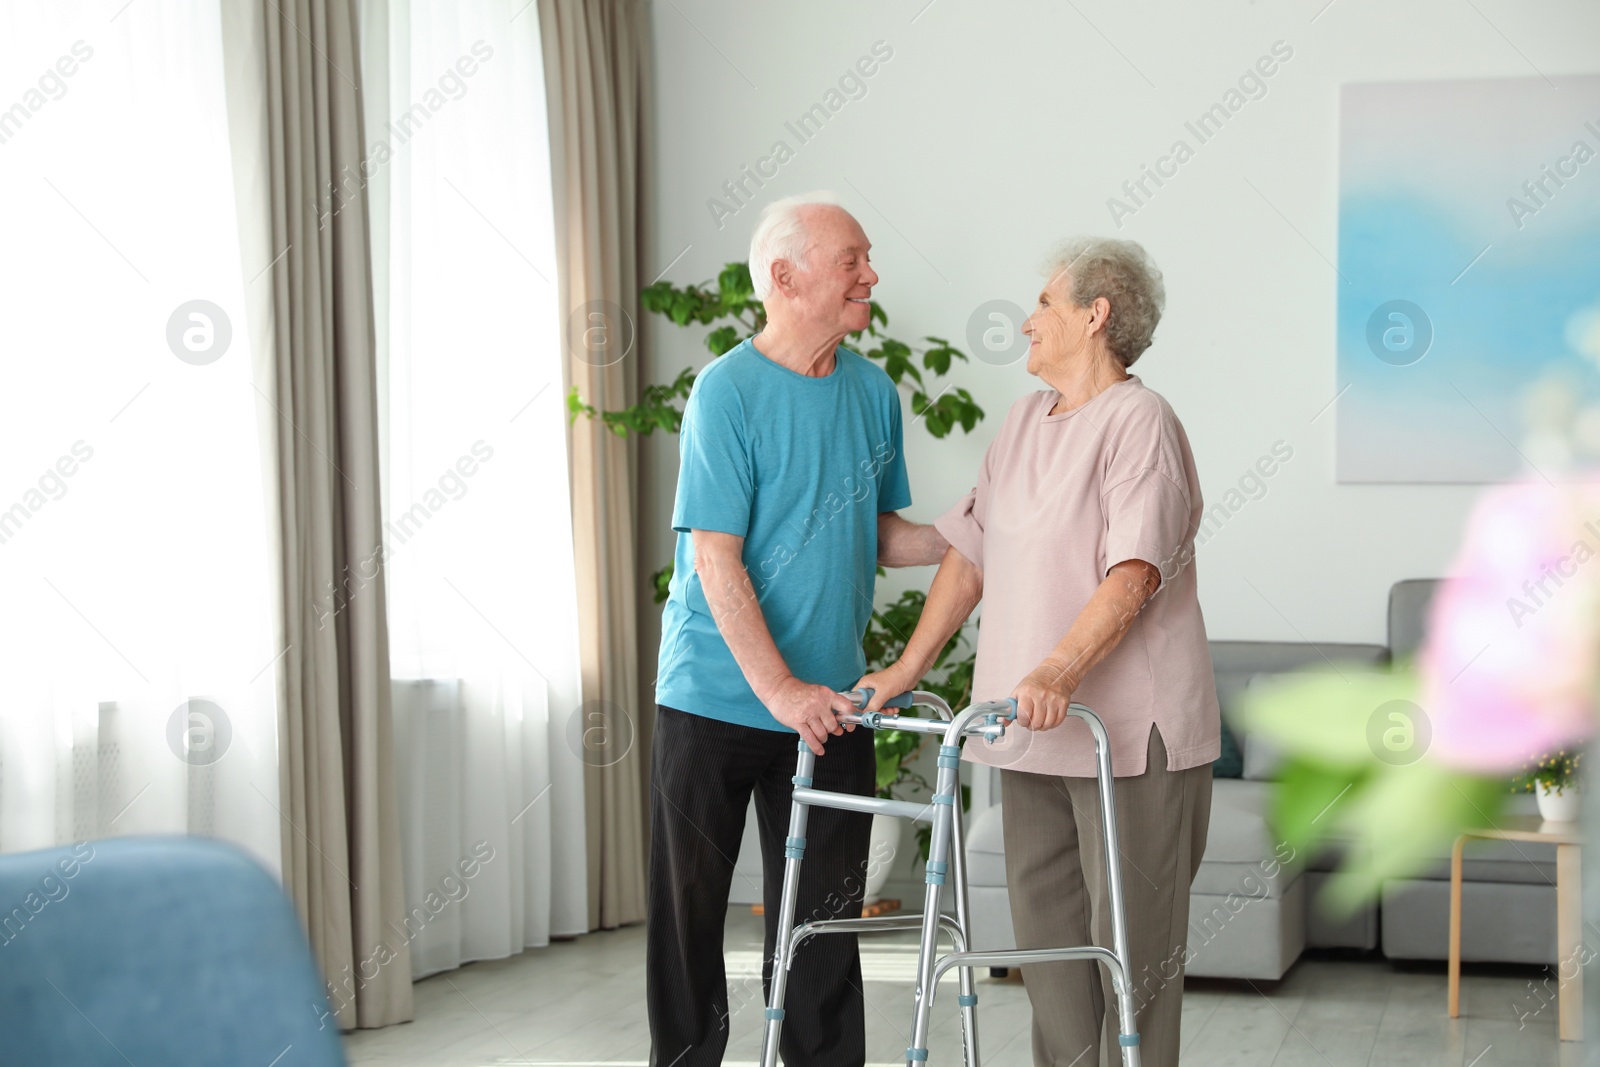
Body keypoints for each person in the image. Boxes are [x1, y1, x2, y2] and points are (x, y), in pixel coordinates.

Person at [856, 237, 1220, 1067]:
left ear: (1095, 317)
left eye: (1046, 304)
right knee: (1051, 951)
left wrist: (1057, 668)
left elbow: (1133, 572)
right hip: (1027, 732)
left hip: (1127, 737)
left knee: (1130, 954)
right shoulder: (1023, 420)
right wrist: (907, 670)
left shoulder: (1141, 422)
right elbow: (968, 551)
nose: (1028, 319)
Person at [648, 191, 948, 1067]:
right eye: (852, 258)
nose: (872, 274)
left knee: (820, 930)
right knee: (690, 919)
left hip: (831, 707)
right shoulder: (726, 391)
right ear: (785, 275)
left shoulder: (871, 392)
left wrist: (964, 531)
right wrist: (776, 690)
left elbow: (882, 535)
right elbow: (716, 557)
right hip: (713, 698)